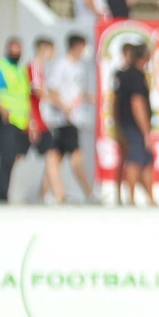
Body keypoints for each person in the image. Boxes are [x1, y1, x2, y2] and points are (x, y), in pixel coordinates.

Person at [33, 32, 94, 203]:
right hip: (64, 119)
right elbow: (52, 90)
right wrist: (63, 107)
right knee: (76, 156)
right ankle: (88, 193)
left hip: (75, 116)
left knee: (55, 158)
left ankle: (42, 194)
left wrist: (88, 97)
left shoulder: (79, 66)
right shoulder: (62, 65)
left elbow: (74, 91)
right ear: (76, 46)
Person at [0, 38, 32, 203]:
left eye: (19, 49)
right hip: (5, 120)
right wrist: (1, 109)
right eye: (13, 49)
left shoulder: (20, 70)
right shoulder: (1, 69)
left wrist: (31, 122)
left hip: (19, 121)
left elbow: (24, 99)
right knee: (6, 157)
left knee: (12, 157)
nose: (16, 52)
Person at [113, 42, 156, 205]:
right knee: (135, 160)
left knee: (146, 161)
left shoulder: (123, 74)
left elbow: (116, 101)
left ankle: (149, 198)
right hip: (135, 125)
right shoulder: (137, 76)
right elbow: (137, 103)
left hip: (126, 123)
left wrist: (118, 123)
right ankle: (130, 199)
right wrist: (145, 132)